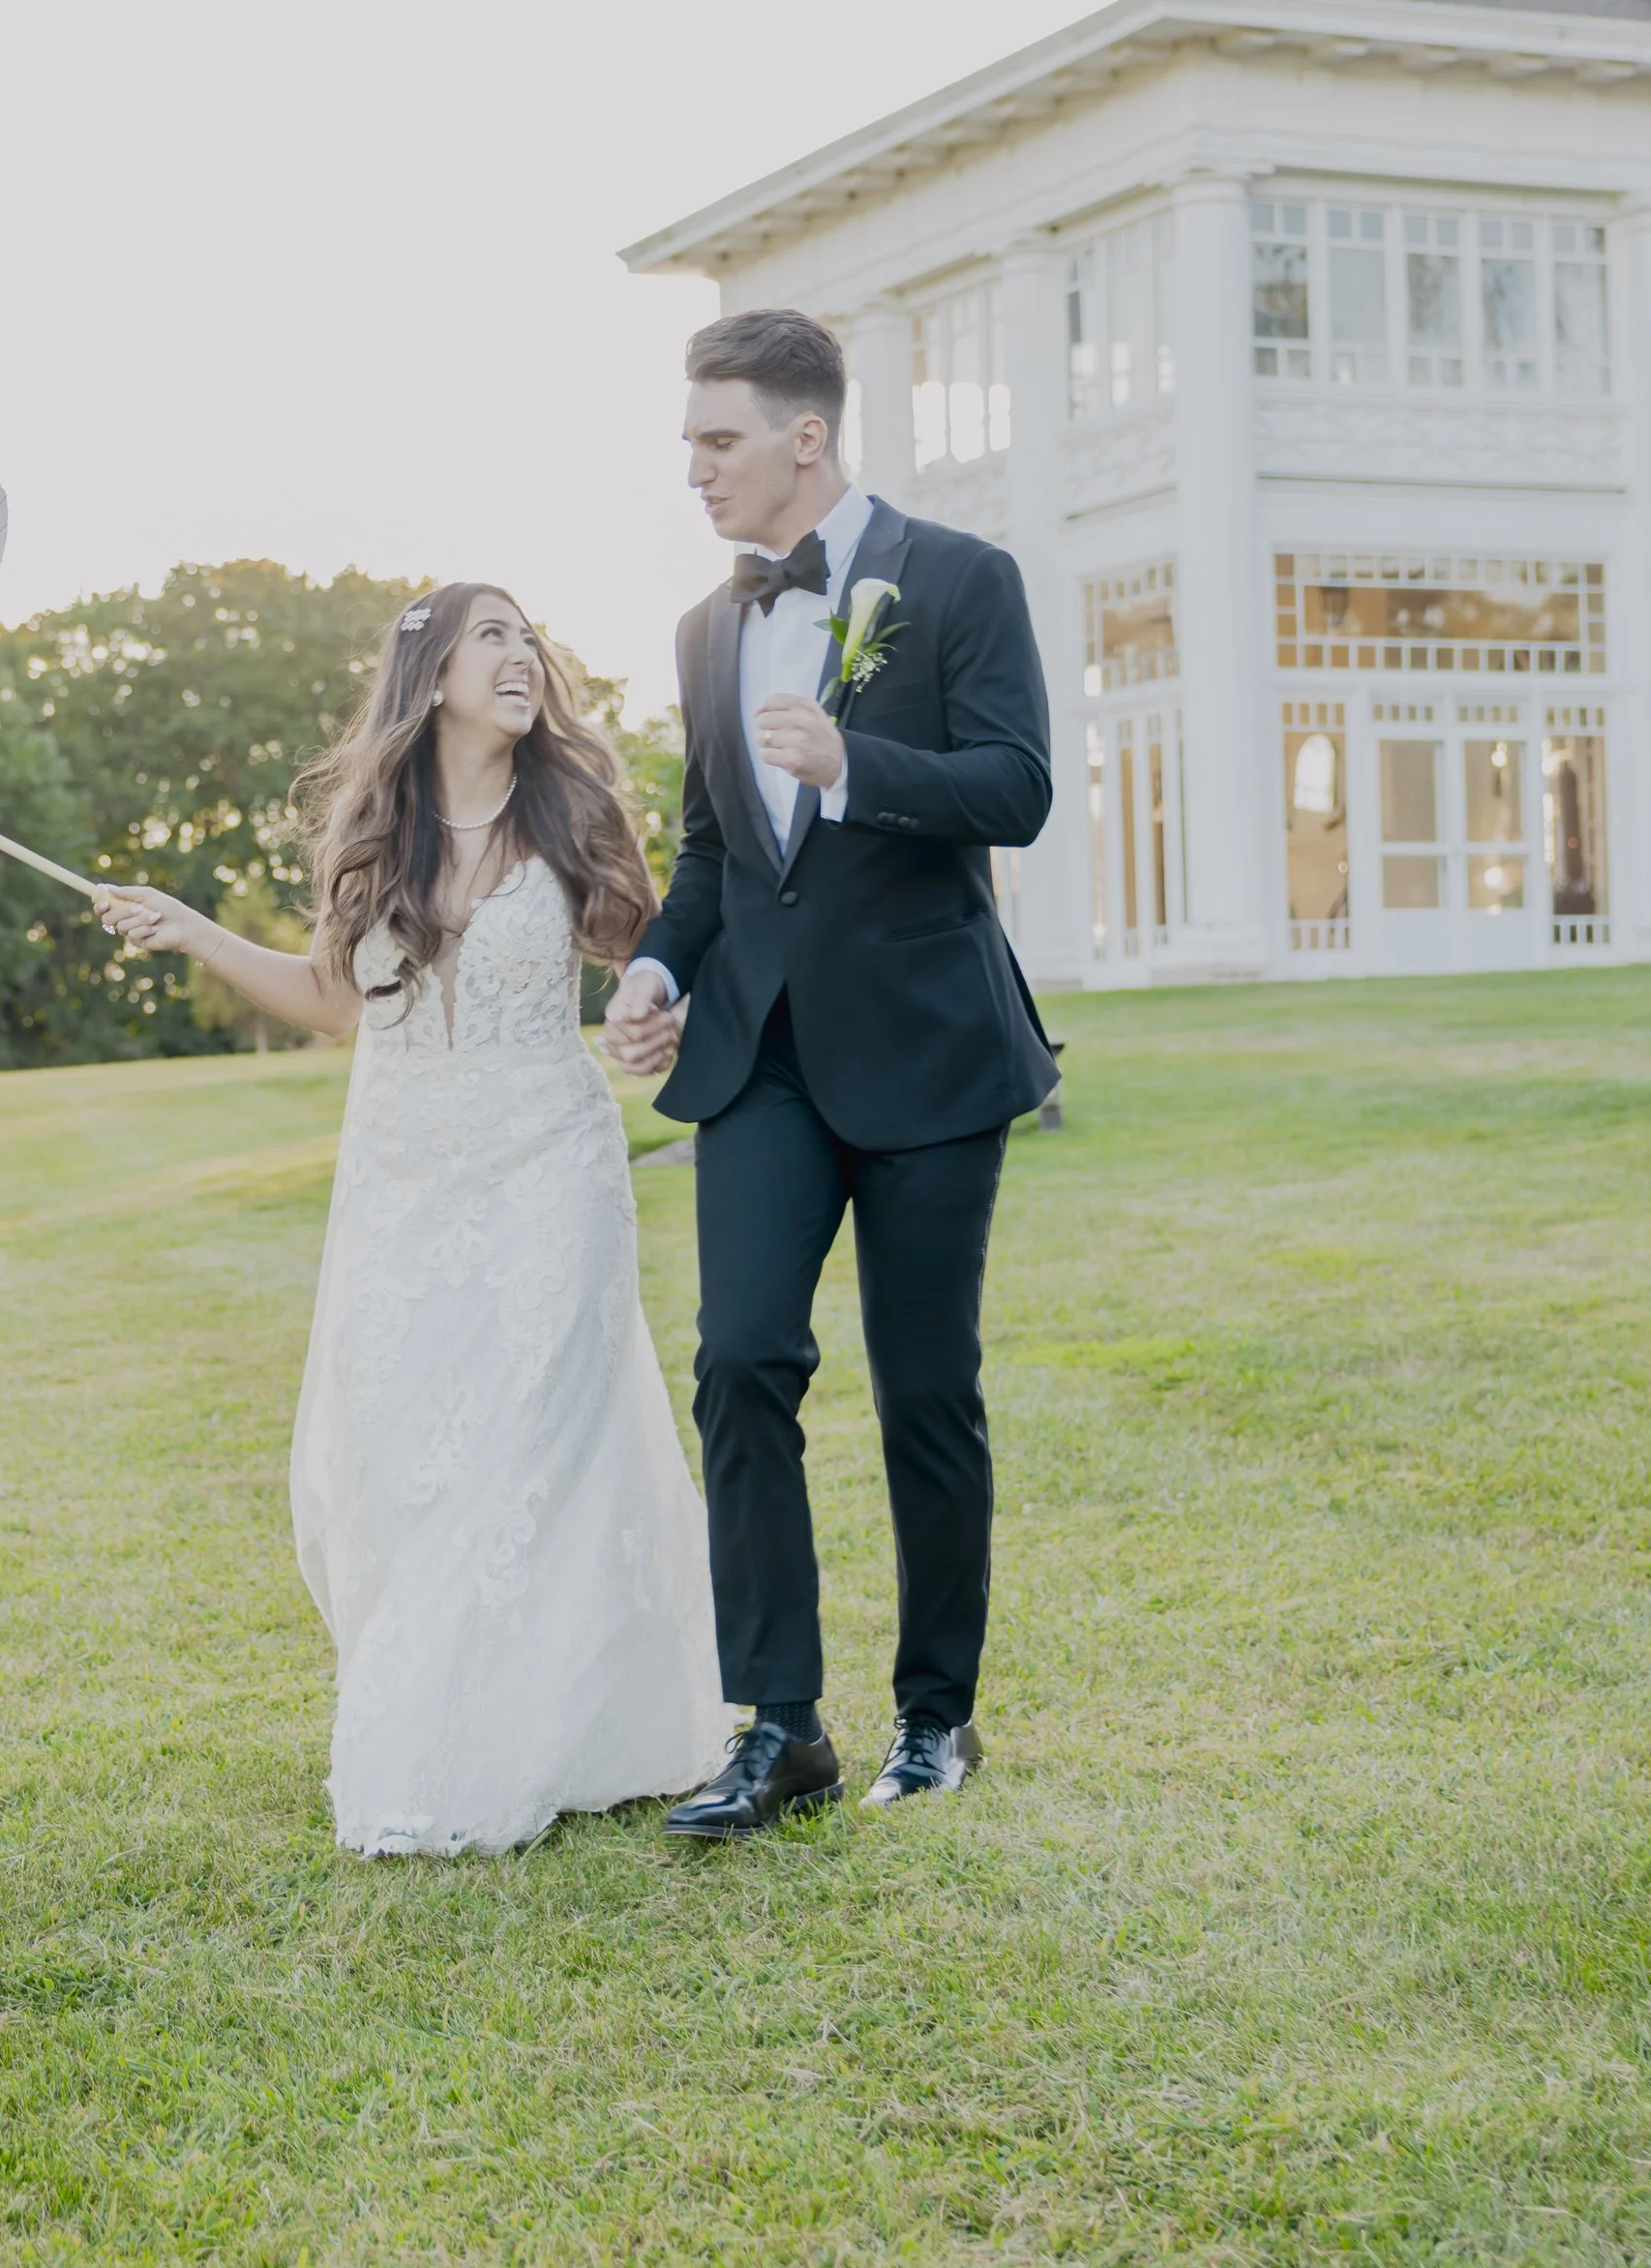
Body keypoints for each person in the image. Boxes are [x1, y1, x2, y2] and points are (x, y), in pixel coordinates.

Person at [96, 583, 729, 1856]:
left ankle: (536, 1735)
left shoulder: (575, 812)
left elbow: (653, 956)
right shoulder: (372, 835)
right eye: (490, 636)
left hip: (553, 1169)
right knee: (413, 1458)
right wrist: (191, 930)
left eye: (526, 636)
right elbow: (334, 1005)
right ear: (432, 675)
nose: (520, 655)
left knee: (528, 1444)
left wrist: (656, 1016)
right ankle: (464, 1724)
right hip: (404, 1182)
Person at [606, 308, 1059, 1835]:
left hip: (930, 1053)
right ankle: (781, 1723)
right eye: (687, 445)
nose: (695, 472)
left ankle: (935, 1722)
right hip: (762, 1059)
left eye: (716, 441)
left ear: (807, 437)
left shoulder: (962, 580)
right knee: (740, 1360)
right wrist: (660, 965)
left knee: (928, 1389)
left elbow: (1018, 786)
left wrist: (859, 767)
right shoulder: (705, 628)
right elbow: (712, 849)